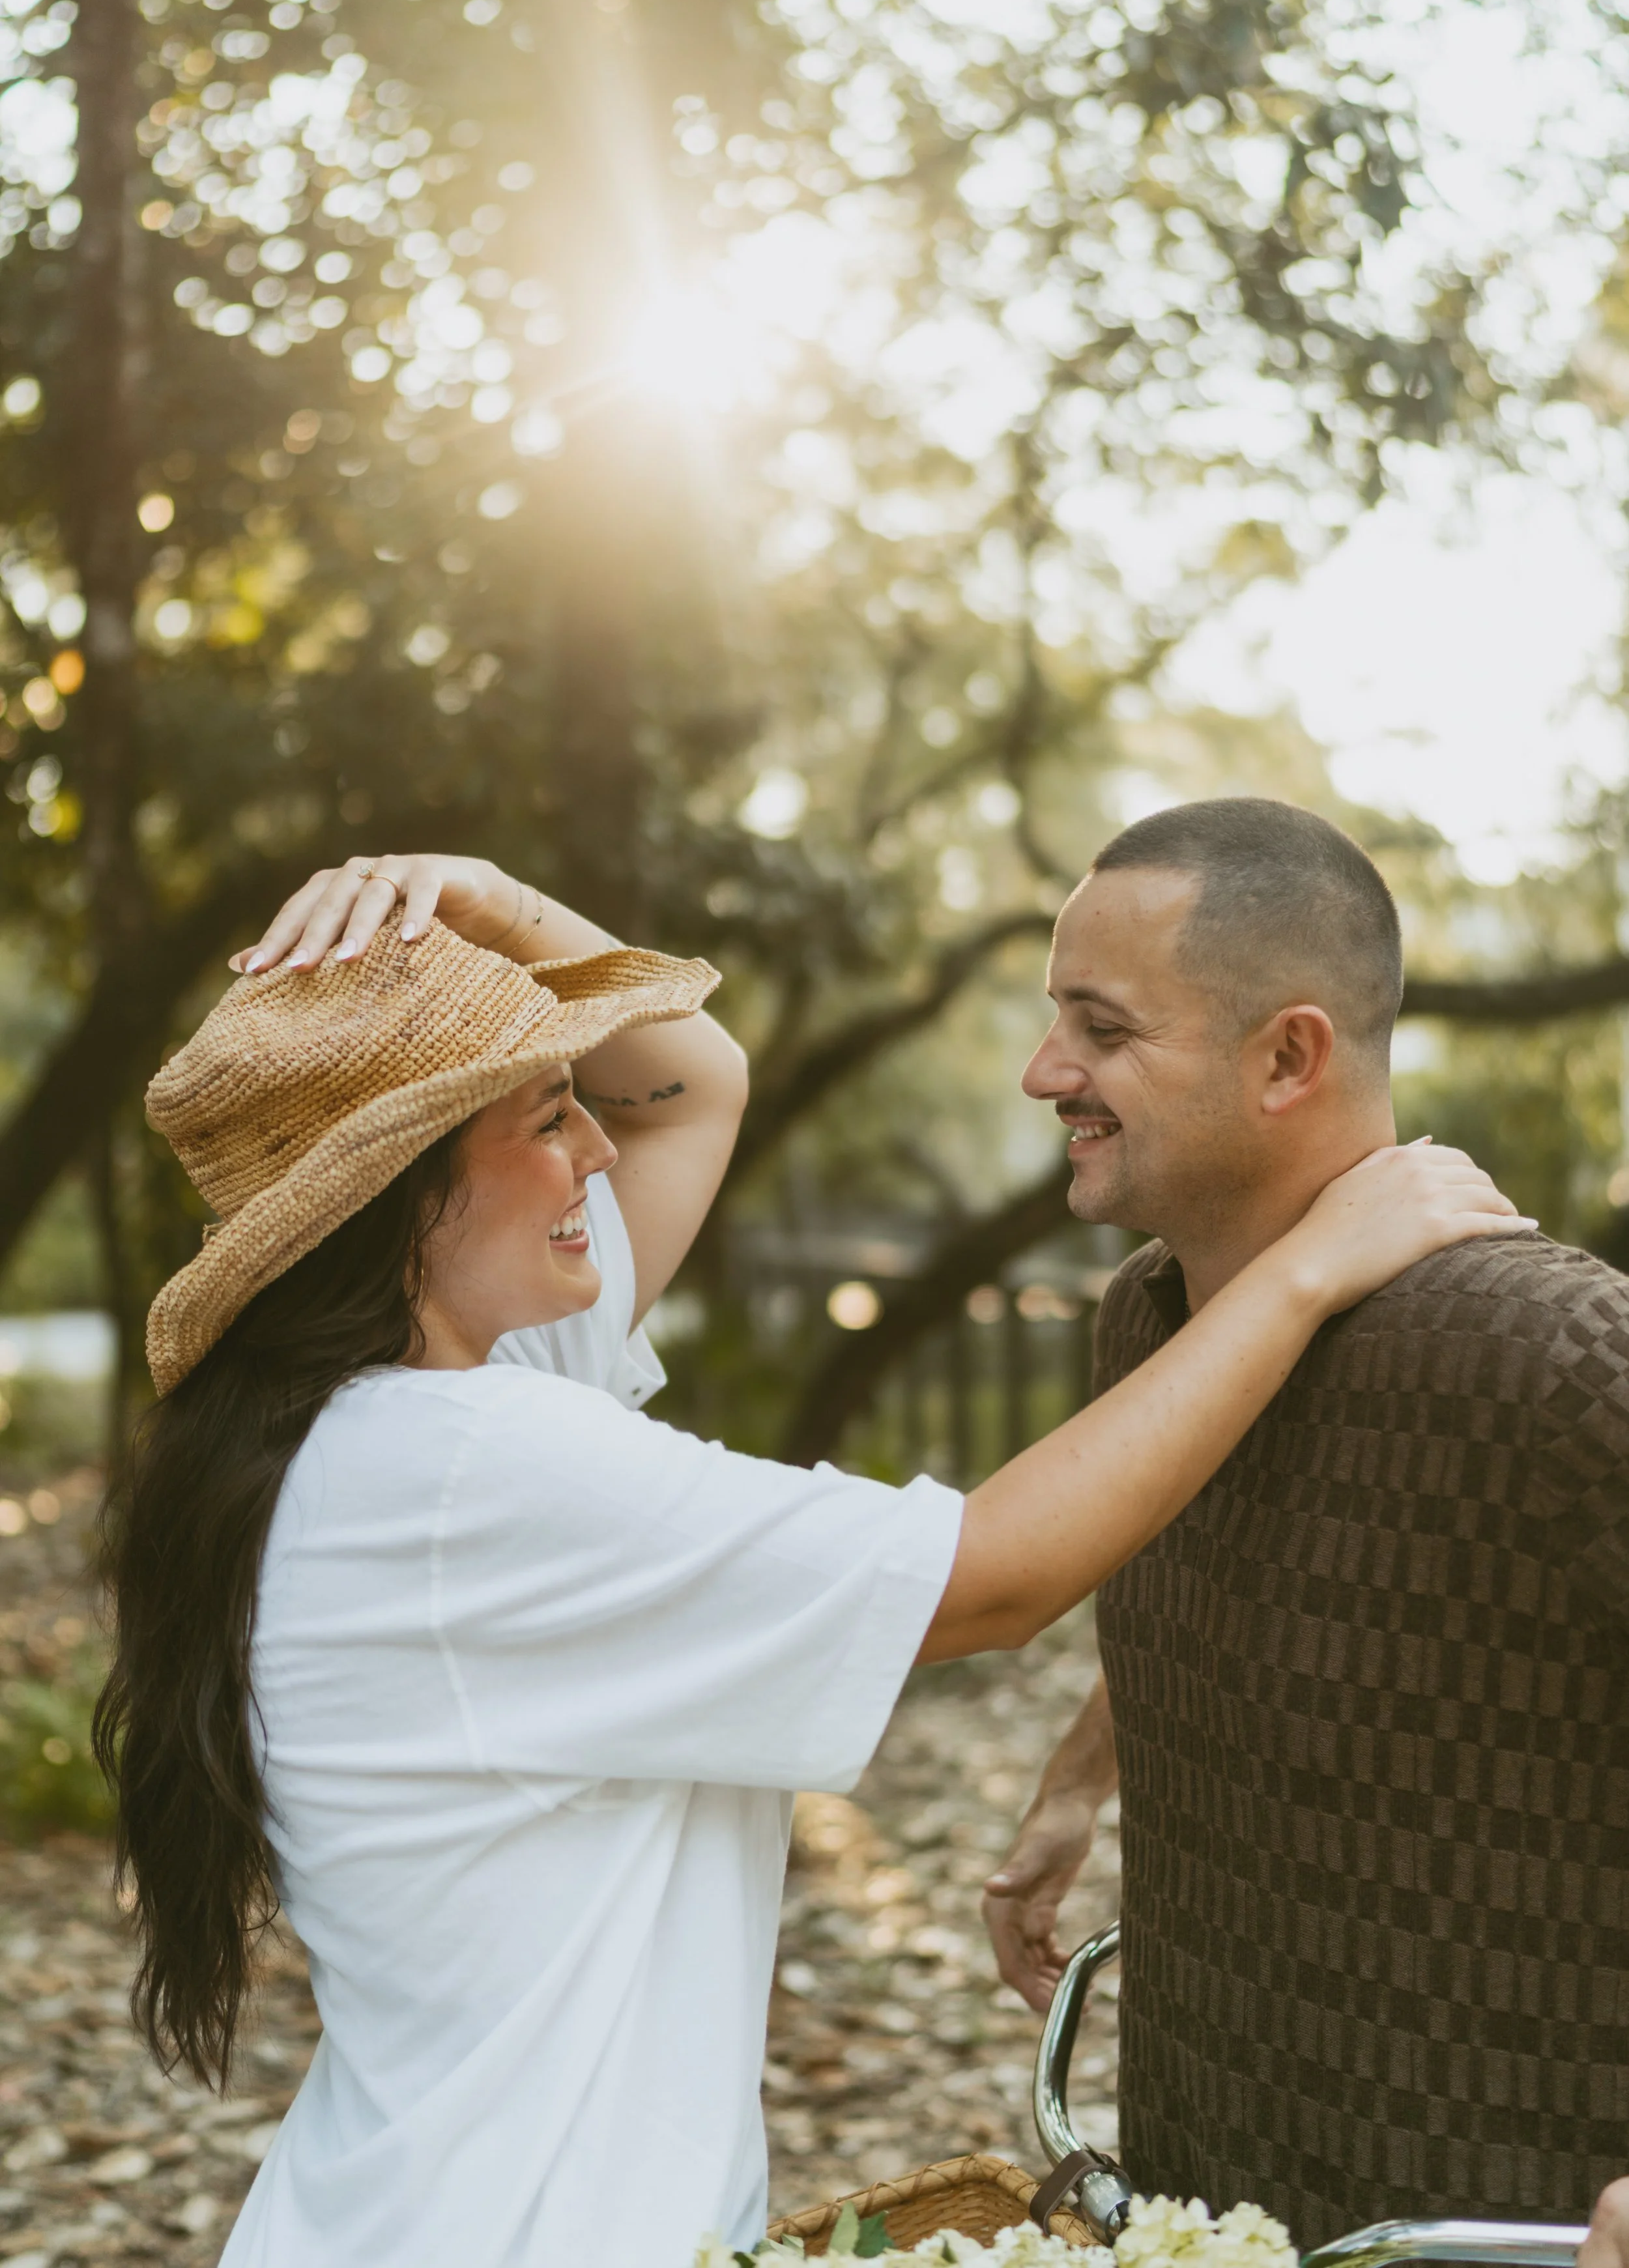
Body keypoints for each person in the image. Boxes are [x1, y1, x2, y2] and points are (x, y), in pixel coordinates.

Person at [96, 850, 1526, 2268]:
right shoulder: (467, 1467)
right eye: (546, 1119)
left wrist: (493, 904)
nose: (594, 1150)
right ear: (406, 1195)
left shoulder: (360, 1421)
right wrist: (1309, 1266)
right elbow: (992, 1577)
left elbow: (689, 1084)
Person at [981, 799, 1629, 2245]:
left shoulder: (1550, 1351)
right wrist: (1082, 1774)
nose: (1045, 1073)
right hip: (1204, 2195)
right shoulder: (1146, 1319)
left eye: (1101, 1028)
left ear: (1286, 1056)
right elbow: (1250, 1558)